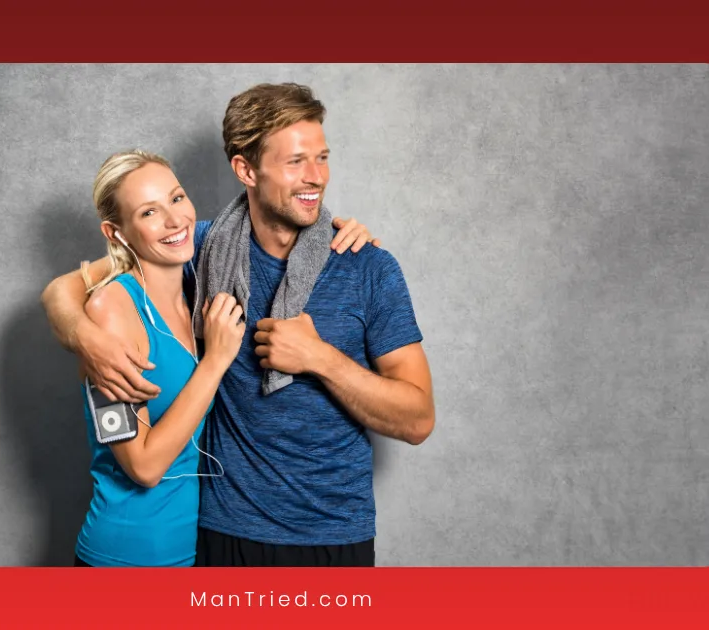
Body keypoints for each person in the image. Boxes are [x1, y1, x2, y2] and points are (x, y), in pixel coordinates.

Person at [44, 83, 434, 567]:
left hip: (333, 533)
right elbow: (66, 289)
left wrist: (320, 359)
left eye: (322, 157)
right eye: (295, 162)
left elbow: (418, 420)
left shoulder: (366, 266)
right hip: (220, 534)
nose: (315, 177)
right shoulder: (197, 250)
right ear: (246, 170)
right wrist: (86, 338)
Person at [64, 150, 379, 567]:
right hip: (125, 556)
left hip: (190, 552)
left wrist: (331, 230)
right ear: (117, 232)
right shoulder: (112, 311)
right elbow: (143, 466)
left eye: (177, 199)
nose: (175, 221)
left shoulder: (196, 291)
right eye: (149, 212)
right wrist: (216, 360)